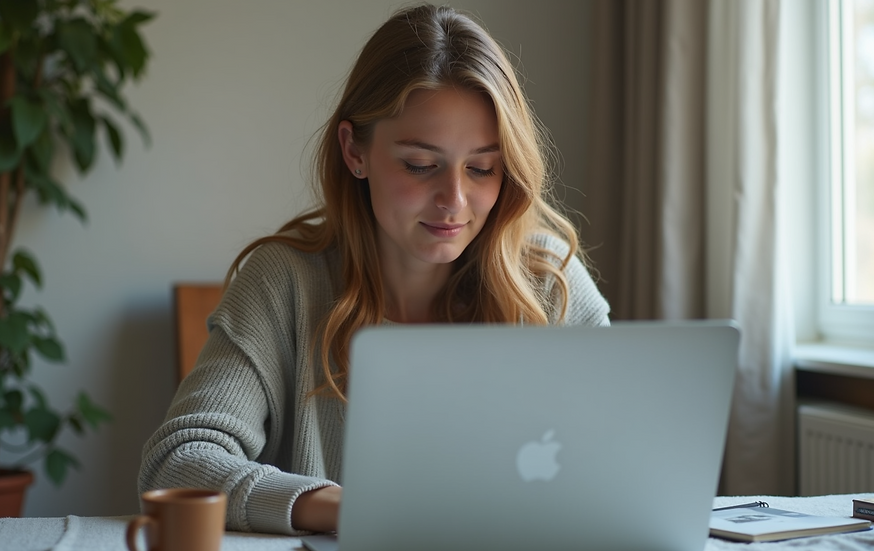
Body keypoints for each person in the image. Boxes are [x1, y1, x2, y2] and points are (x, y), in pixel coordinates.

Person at [138, 3, 610, 536]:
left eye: (483, 168)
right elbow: (178, 461)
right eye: (420, 165)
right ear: (354, 151)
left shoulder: (550, 285)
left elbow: (627, 464)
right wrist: (342, 509)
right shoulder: (284, 283)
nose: (454, 201)